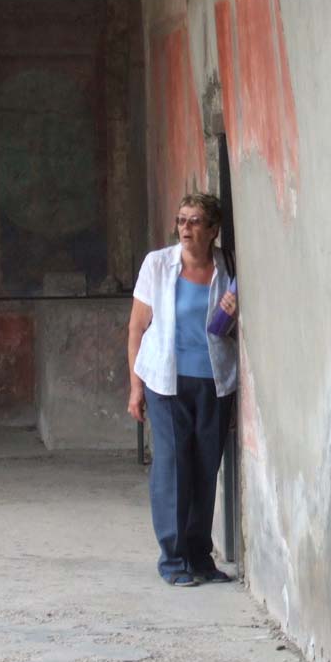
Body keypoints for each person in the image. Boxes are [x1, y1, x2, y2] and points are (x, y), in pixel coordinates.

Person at [127, 192, 238, 587]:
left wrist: (234, 313)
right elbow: (137, 327)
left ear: (212, 230)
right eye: (181, 220)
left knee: (206, 469)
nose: (185, 228)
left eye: (194, 222)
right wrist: (135, 387)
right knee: (174, 468)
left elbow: (235, 328)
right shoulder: (157, 265)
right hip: (166, 382)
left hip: (214, 382)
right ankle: (173, 561)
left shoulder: (227, 266)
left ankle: (199, 557)